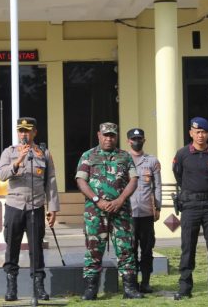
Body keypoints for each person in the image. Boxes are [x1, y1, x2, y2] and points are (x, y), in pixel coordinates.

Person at [75, 122, 144, 300]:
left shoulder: (125, 156)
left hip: (121, 211)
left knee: (126, 248)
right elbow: (81, 181)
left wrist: (120, 200)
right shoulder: (88, 156)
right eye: (105, 135)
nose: (108, 138)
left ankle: (129, 287)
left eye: (112, 135)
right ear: (99, 135)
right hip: (95, 212)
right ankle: (91, 289)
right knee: (93, 248)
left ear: (116, 136)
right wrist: (97, 200)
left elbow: (134, 180)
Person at [0, 117, 60, 302]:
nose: (24, 134)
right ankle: (11, 287)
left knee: (36, 248)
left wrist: (53, 208)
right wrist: (18, 161)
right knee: (12, 247)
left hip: (36, 206)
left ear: (34, 132)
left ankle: (38, 287)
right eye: (21, 131)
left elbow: (51, 181)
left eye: (27, 130)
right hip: (14, 206)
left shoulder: (44, 154)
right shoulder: (9, 152)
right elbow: (2, 175)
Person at [172, 117, 208, 301]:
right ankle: (184, 288)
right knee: (188, 248)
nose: (200, 135)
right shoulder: (182, 154)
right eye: (197, 132)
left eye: (204, 132)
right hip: (190, 206)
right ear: (190, 133)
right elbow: (178, 175)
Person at [127, 127, 162, 294]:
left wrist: (158, 207)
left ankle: (146, 282)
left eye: (139, 138)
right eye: (134, 139)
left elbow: (157, 186)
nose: (137, 141)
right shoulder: (123, 160)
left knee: (147, 250)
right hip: (129, 213)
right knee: (130, 250)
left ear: (144, 140)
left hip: (147, 212)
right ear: (128, 141)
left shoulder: (152, 161)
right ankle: (131, 283)